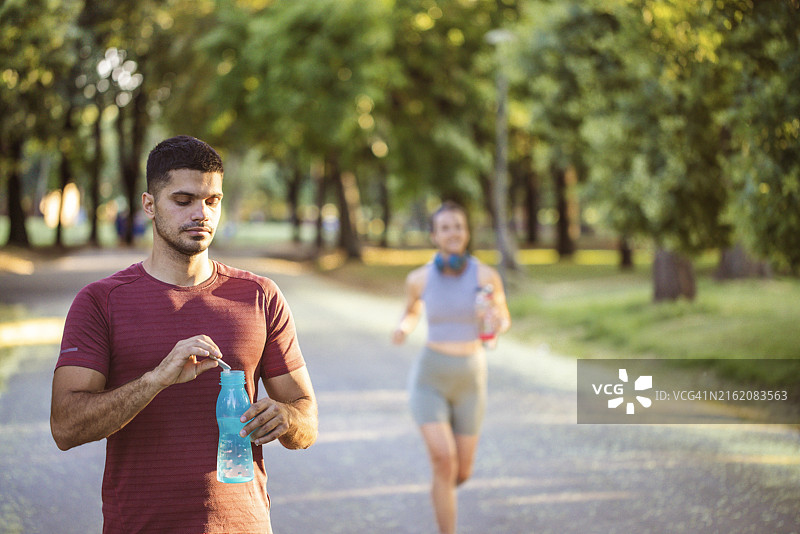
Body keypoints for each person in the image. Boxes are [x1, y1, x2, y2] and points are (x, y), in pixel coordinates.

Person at [50, 135, 318, 533]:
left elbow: (306, 420)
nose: (202, 214)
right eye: (184, 200)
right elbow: (65, 427)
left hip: (243, 525)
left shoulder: (260, 296)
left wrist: (287, 418)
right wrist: (156, 380)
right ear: (149, 205)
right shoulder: (101, 301)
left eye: (213, 201)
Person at [391, 201, 511, 534]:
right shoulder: (419, 278)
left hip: (471, 377)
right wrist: (403, 327)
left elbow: (502, 316)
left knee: (461, 471)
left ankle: (442, 487)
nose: (453, 232)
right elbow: (411, 311)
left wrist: (497, 321)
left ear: (467, 232)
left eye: (458, 226)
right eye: (445, 227)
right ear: (434, 235)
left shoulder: (486, 275)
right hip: (430, 377)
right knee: (443, 460)